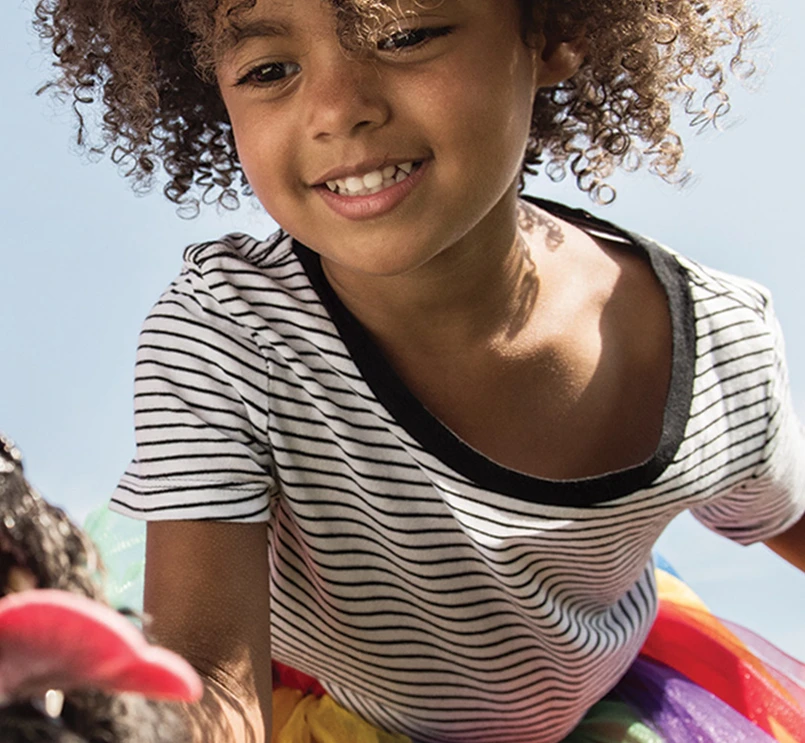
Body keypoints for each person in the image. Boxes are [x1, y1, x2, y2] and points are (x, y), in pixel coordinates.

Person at [32, 0, 805, 741]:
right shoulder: (229, 335)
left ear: (553, 29)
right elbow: (217, 688)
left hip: (612, 690)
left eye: (403, 35)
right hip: (330, 707)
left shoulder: (715, 349)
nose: (338, 110)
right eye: (269, 69)